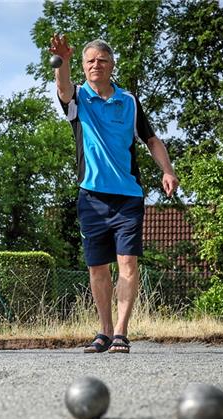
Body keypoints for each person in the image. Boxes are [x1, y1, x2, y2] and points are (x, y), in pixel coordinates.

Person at [50, 35, 180, 354]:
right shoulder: (78, 99)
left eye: (102, 60)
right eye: (90, 60)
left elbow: (151, 140)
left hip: (127, 197)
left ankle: (121, 331)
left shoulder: (129, 101)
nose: (96, 64)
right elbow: (63, 88)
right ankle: (105, 331)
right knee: (97, 267)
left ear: (112, 65)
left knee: (127, 263)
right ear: (83, 66)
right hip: (91, 198)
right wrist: (62, 61)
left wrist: (167, 170)